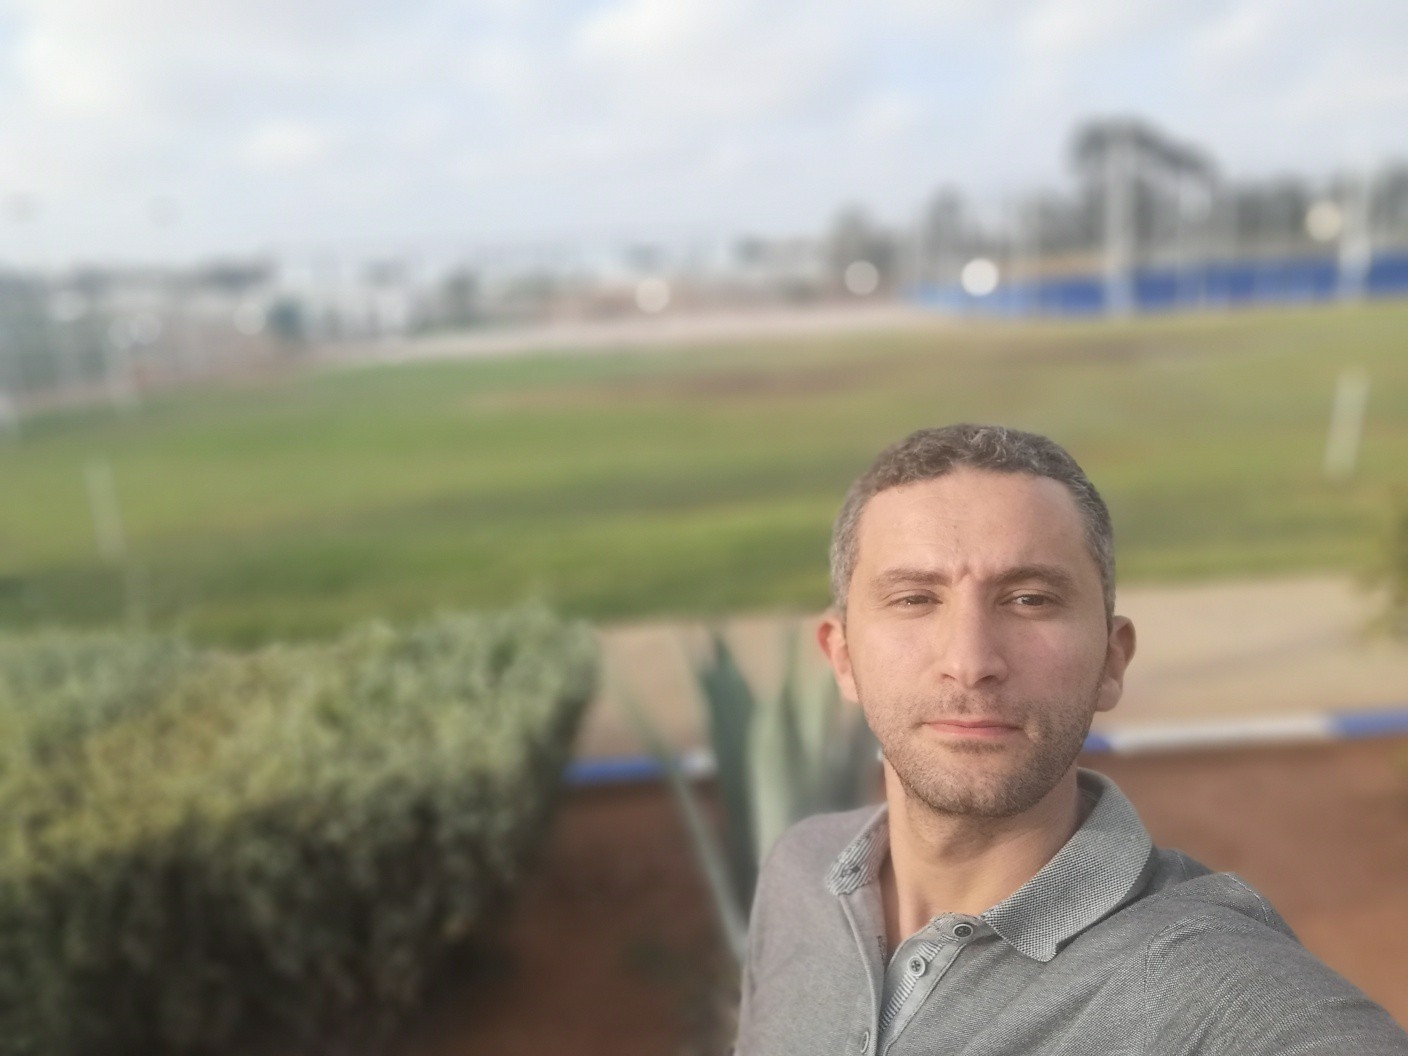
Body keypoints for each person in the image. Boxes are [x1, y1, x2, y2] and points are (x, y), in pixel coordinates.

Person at [734, 423, 1408, 1056]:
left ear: (1111, 662)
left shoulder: (1219, 993)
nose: (970, 661)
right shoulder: (802, 871)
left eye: (1030, 599)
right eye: (914, 598)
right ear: (842, 657)